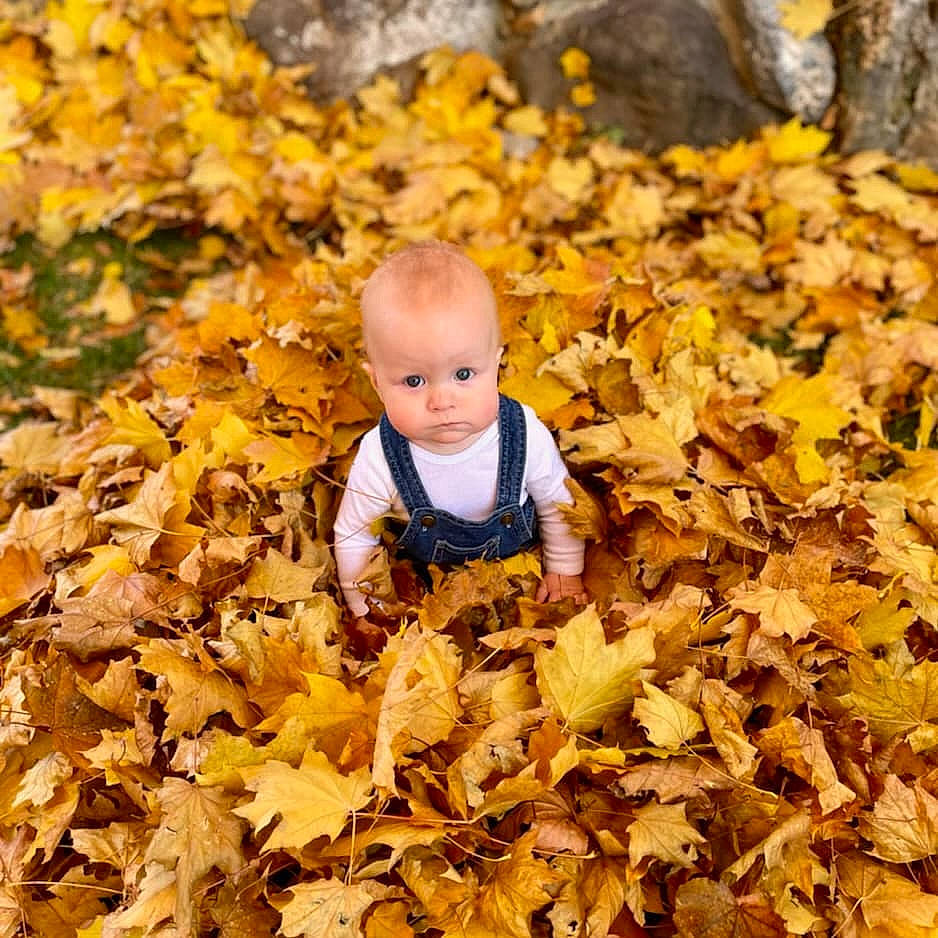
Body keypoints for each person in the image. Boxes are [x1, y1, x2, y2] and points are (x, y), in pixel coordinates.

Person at [333, 240, 587, 620]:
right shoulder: (381, 456)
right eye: (414, 381)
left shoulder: (521, 433)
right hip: (431, 594)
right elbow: (355, 534)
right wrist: (367, 607)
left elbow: (557, 504)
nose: (441, 400)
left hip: (518, 575)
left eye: (463, 374)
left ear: (496, 362)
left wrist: (564, 569)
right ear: (377, 382)